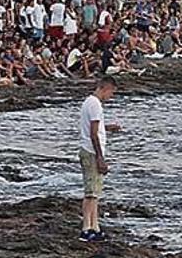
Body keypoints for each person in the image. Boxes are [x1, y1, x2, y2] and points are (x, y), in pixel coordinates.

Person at [79, 77, 120, 242]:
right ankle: (86, 229)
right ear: (105, 88)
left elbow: (94, 128)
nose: (111, 96)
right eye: (111, 93)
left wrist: (107, 127)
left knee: (95, 193)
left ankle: (94, 226)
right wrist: (100, 158)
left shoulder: (89, 102)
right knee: (90, 194)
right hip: (91, 152)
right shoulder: (95, 104)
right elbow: (93, 134)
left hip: (88, 150)